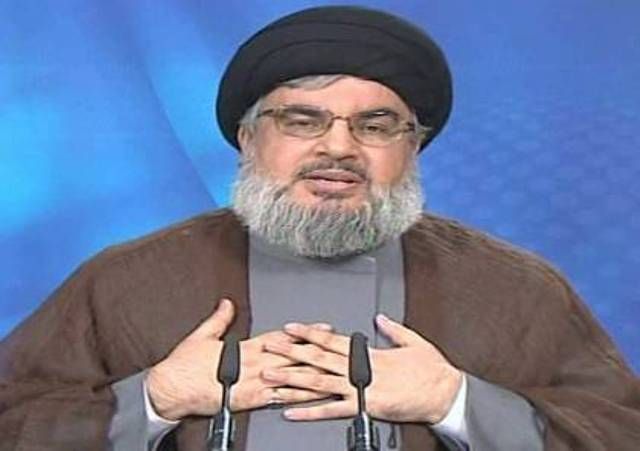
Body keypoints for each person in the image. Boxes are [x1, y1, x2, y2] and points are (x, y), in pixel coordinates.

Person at [1, 5, 639, 451]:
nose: (338, 148)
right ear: (248, 139)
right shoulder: (127, 279)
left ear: (413, 148)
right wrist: (154, 398)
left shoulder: (516, 289)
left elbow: (618, 431)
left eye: (376, 126)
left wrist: (456, 401)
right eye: (302, 121)